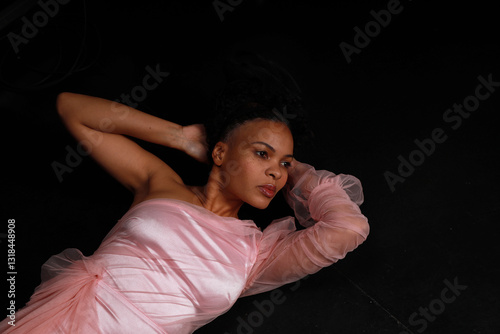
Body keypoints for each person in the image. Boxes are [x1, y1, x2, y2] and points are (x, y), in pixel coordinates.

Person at [0, 55, 369, 333]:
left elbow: (348, 227)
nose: (275, 170)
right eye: (261, 153)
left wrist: (294, 171)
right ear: (221, 152)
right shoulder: (160, 184)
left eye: (284, 163)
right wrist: (178, 136)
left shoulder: (256, 255)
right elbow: (71, 107)